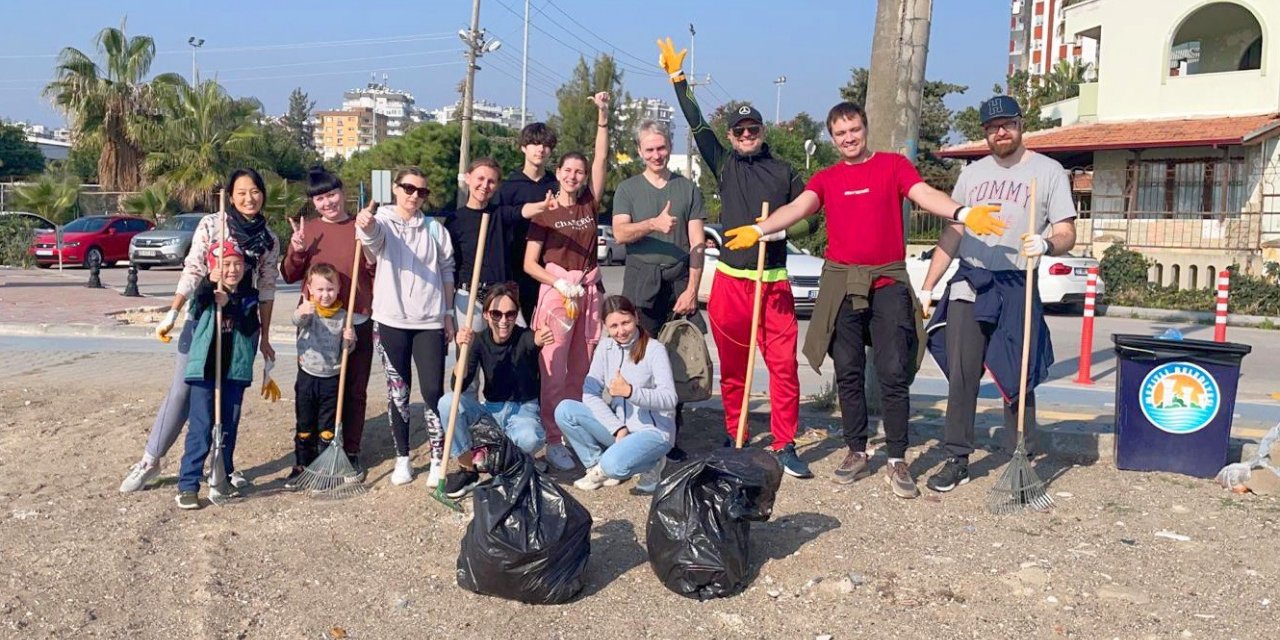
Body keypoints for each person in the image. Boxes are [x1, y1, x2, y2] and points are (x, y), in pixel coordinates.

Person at [724, 101, 1006, 499]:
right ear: (832, 138)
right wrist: (761, 230)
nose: (848, 138)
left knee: (893, 372)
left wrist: (964, 212)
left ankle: (896, 457)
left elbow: (924, 194)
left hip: (887, 280)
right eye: (840, 134)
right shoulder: (826, 178)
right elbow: (798, 207)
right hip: (841, 283)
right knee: (849, 372)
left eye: (854, 130)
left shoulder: (893, 166)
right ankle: (856, 450)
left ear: (865, 128)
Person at [658, 36, 811, 478]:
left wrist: (773, 229)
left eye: (753, 129)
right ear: (732, 136)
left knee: (783, 368)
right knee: (735, 367)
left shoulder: (784, 172)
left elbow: (811, 220)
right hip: (732, 282)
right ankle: (736, 431)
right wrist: (678, 79)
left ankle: (784, 442)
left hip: (774, 281)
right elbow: (697, 122)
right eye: (740, 130)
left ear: (763, 132)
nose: (746, 135)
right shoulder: (723, 164)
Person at [920, 95, 1075, 493]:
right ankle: (957, 457)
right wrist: (928, 285)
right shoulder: (971, 174)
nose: (999, 132)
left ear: (1020, 125)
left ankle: (1018, 455)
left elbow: (1067, 232)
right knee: (962, 370)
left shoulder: (1049, 171)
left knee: (1017, 375)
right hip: (971, 280)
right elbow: (954, 231)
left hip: (1017, 282)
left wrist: (1047, 244)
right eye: (991, 127)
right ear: (985, 132)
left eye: (1006, 125)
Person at [120, 168, 280, 493]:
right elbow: (193, 269)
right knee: (182, 392)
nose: (249, 198)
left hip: (241, 326)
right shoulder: (212, 224)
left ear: (263, 194)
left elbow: (266, 288)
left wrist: (265, 337)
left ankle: (221, 466)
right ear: (231, 196)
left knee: (229, 397)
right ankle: (150, 460)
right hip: (204, 320)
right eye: (241, 192)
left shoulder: (269, 240)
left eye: (255, 191)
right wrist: (173, 312)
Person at [521, 91, 612, 472]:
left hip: (588, 293)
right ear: (558, 174)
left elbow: (603, 159)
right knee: (554, 370)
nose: (574, 176)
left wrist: (603, 117)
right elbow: (529, 263)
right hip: (558, 295)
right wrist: (558, 284)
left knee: (581, 368)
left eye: (580, 170)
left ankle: (575, 433)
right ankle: (552, 438)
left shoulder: (588, 202)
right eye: (568, 170)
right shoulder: (547, 210)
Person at [611, 119, 706, 460]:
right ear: (639, 151)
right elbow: (620, 234)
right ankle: (635, 432)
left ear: (669, 146)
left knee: (676, 359)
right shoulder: (628, 189)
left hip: (679, 280)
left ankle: (670, 436)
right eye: (649, 149)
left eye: (661, 147)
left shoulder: (688, 189)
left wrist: (692, 289)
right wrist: (653, 223)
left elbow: (697, 243)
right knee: (637, 358)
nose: (656, 154)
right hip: (641, 279)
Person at [356, 167, 456, 487]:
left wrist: (449, 313)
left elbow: (446, 271)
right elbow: (372, 240)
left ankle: (438, 457)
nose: (414, 195)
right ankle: (403, 458)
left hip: (430, 321)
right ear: (396, 188)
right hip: (390, 320)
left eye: (421, 191)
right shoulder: (383, 219)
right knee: (398, 393)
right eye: (409, 188)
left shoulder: (435, 230)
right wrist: (366, 222)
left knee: (432, 391)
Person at [279, 165, 376, 481]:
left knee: (354, 390)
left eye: (331, 194)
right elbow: (290, 275)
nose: (327, 202)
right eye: (320, 198)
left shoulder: (360, 228)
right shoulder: (309, 231)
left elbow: (375, 275)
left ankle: (350, 450)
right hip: (316, 324)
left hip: (353, 318)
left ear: (343, 192)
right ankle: (308, 456)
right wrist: (295, 250)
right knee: (314, 392)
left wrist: (373, 257)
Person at [437, 283, 555, 497]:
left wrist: (541, 336)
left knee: (530, 437)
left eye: (510, 314)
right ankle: (469, 470)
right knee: (447, 402)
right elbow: (458, 386)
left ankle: (512, 463)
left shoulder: (524, 336)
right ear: (486, 315)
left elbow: (534, 341)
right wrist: (462, 349)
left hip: (523, 411)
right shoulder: (478, 341)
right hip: (491, 411)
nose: (503, 320)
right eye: (496, 313)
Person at [554, 295, 677, 494]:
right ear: (605, 326)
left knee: (615, 467)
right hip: (622, 431)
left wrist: (631, 392)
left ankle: (651, 463)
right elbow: (590, 393)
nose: (621, 331)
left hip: (652, 432)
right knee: (565, 409)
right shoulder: (605, 347)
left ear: (636, 318)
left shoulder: (655, 350)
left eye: (626, 322)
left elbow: (670, 399)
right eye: (614, 326)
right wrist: (617, 427)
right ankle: (596, 467)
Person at [175, 240, 261, 509]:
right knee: (200, 428)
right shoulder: (206, 293)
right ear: (214, 267)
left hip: (234, 372)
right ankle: (188, 484)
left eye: (237, 264)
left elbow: (249, 327)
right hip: (205, 372)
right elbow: (197, 305)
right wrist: (209, 286)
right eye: (225, 265)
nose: (232, 270)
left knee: (227, 427)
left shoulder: (249, 295)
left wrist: (232, 302)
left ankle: (221, 474)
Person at [443, 157, 546, 333]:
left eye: (491, 181)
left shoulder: (500, 214)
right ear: (468, 178)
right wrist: (448, 311)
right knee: (470, 353)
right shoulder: (455, 220)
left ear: (497, 186)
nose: (485, 185)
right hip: (469, 296)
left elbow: (523, 210)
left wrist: (544, 205)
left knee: (518, 345)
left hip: (501, 294)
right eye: (480, 179)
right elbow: (450, 266)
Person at [285, 263, 359, 489]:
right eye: (320, 290)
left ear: (338, 290)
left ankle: (323, 467)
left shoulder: (344, 316)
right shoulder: (309, 311)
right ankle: (301, 465)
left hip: (332, 378)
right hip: (308, 375)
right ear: (310, 289)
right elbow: (295, 320)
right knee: (305, 423)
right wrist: (301, 311)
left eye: (330, 289)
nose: (325, 295)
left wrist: (350, 339)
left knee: (327, 425)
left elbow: (349, 349)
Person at [494, 122, 560, 325]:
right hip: (514, 269)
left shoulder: (557, 184)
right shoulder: (507, 187)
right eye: (535, 143)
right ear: (523, 146)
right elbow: (498, 219)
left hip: (548, 269)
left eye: (546, 145)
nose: (541, 149)